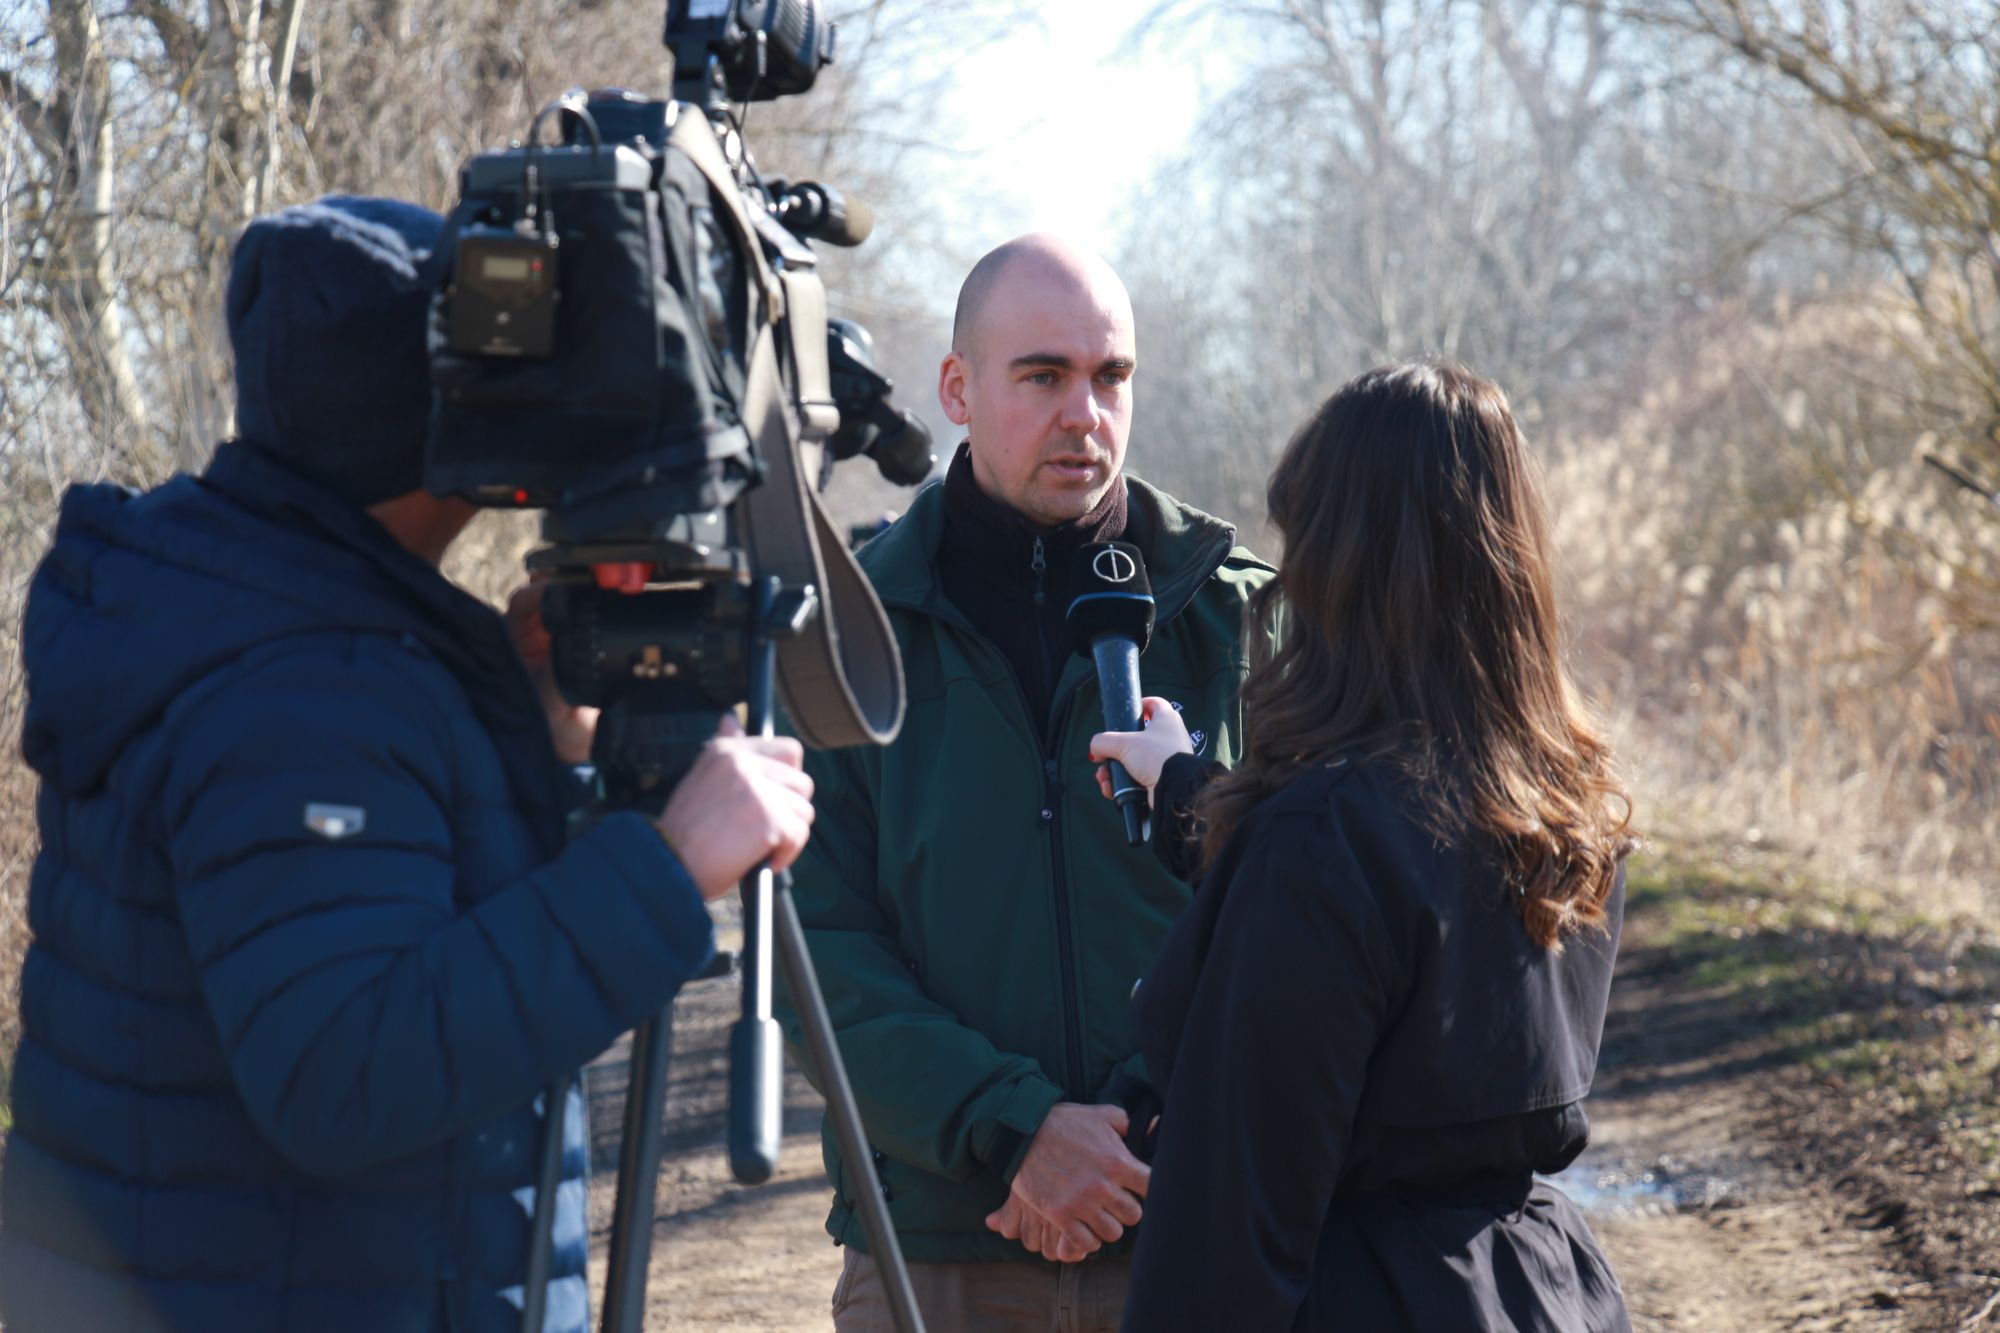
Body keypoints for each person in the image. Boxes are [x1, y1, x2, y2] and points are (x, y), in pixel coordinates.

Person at [0, 196, 814, 1333]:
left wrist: (540, 737)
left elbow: (405, 928)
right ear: (433, 415)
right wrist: (663, 873)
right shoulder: (302, 685)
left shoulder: (269, 603)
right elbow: (340, 1069)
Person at [780, 234, 1273, 1330]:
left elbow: (1307, 918)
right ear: (957, 388)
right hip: (943, 1251)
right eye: (1042, 375)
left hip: (1201, 1240)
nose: (1083, 413)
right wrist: (1011, 1131)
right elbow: (813, 950)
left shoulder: (1242, 620)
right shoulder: (846, 634)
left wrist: (1142, 1128)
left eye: (1110, 377)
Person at [1089, 362, 1635, 1332]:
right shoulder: (1564, 809)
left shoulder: (1325, 841)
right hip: (1534, 1292)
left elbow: (1226, 1240)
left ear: (1342, 564)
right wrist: (1182, 787)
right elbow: (1396, 926)